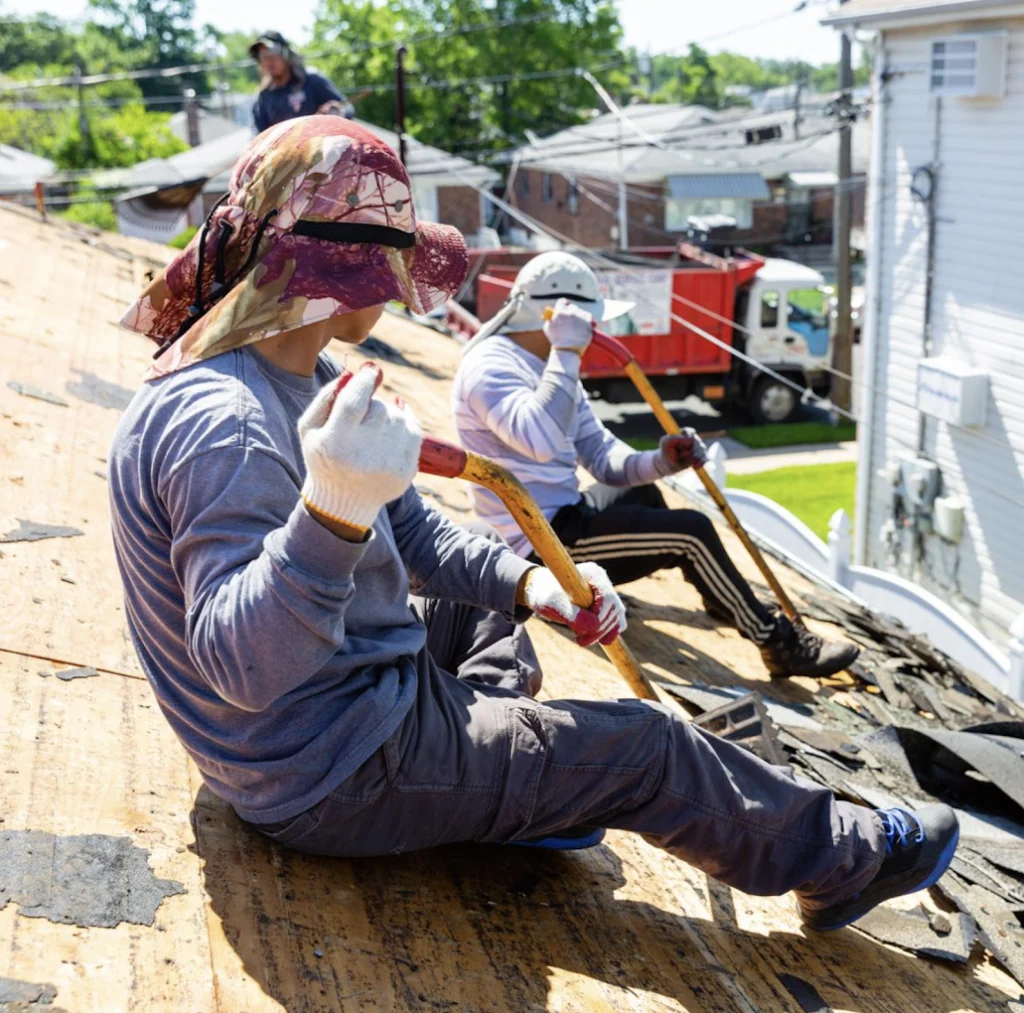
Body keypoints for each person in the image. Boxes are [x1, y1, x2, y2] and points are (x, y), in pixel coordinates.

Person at [109, 116, 958, 935]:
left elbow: (419, 537)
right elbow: (241, 668)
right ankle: (841, 859)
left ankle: (506, 776)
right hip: (331, 769)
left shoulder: (294, 370)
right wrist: (331, 510)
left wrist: (537, 584)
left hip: (320, 719)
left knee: (492, 607)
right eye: (390, 264)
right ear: (346, 274)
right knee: (650, 749)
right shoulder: (231, 425)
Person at [452, 252, 862, 680]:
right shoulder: (491, 366)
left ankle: (720, 592)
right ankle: (778, 645)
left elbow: (603, 457)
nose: (595, 334)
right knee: (692, 532)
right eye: (589, 324)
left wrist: (662, 460)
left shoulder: (553, 366)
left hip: (563, 513)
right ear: (556, 316)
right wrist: (567, 351)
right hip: (537, 548)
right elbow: (538, 440)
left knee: (645, 493)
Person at [249, 31, 354, 134]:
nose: (268, 61)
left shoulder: (311, 80)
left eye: (272, 55)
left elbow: (347, 108)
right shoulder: (264, 95)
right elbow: (259, 133)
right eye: (263, 57)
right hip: (285, 150)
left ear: (286, 54)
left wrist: (337, 112)